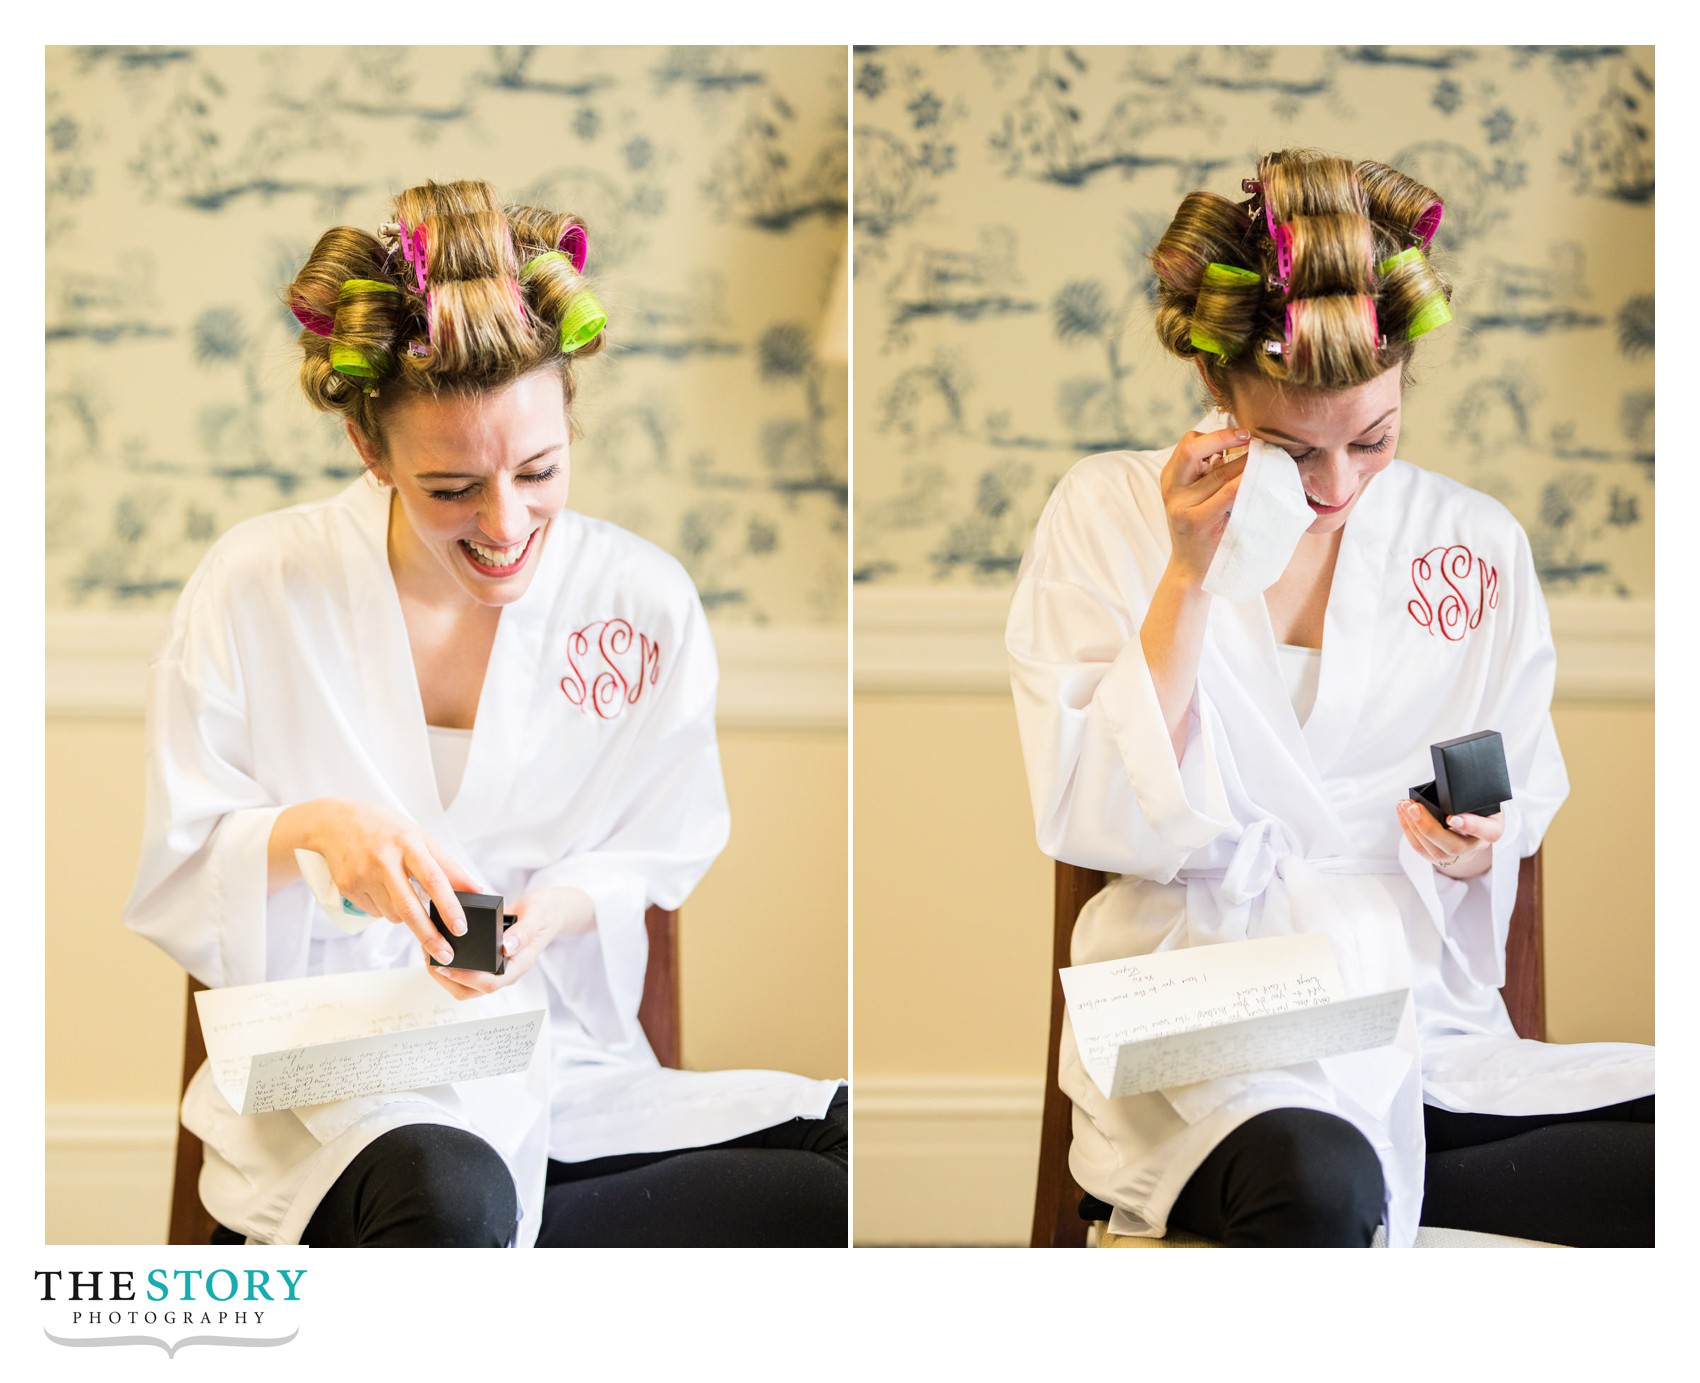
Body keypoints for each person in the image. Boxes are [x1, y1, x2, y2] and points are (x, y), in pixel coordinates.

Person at [125, 178, 846, 1248]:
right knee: (448, 1192)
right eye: (452, 487)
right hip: (345, 1099)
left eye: (539, 471)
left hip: (560, 1067)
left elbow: (663, 841)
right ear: (372, 454)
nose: (506, 524)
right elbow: (182, 865)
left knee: (841, 1161)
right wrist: (314, 832)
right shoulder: (256, 586)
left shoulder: (639, 604)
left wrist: (561, 906)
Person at [1006, 149, 1653, 1248]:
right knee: (1319, 1183)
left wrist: (1473, 843)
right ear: (1217, 391)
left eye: (1373, 440)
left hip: (1413, 1010)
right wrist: (1185, 572)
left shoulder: (1471, 542)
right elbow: (1085, 808)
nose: (1336, 487)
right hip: (1203, 1003)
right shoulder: (1107, 512)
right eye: (1290, 448)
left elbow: (1520, 791)